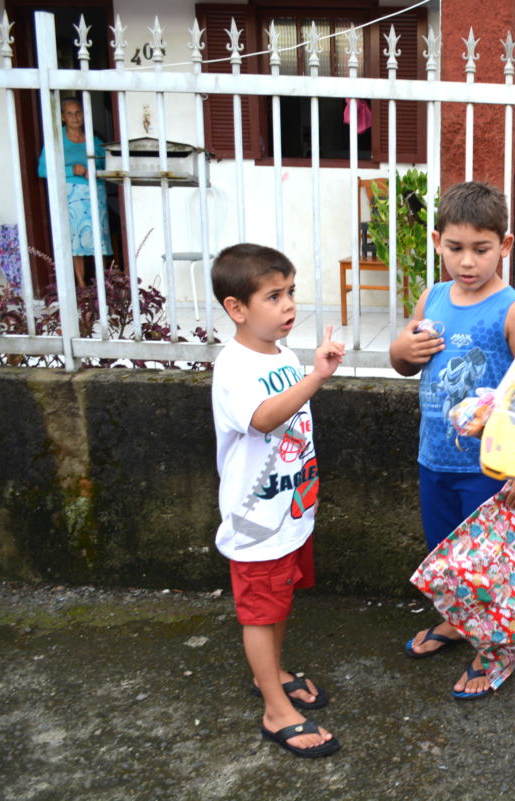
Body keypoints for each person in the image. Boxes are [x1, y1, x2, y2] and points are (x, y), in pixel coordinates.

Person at [389, 181, 515, 699]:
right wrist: (401, 348)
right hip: (434, 459)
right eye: (455, 248)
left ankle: (494, 647)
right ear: (437, 242)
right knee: (446, 557)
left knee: (488, 563)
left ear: (505, 245)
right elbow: (404, 365)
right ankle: (458, 623)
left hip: (490, 469)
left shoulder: (513, 311)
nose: (467, 262)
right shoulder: (431, 296)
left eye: (481, 249)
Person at [210, 243, 346, 758]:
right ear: (237, 309)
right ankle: (274, 707)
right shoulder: (234, 367)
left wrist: (309, 369)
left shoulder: (283, 355)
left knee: (279, 604)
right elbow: (264, 417)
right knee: (260, 615)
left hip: (291, 513)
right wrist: (316, 377)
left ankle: (273, 674)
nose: (289, 305)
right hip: (257, 525)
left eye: (290, 292)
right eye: (274, 296)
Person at [37, 98, 112, 287]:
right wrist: (72, 170)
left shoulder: (94, 141)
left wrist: (96, 170)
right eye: (69, 113)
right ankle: (81, 284)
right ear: (63, 117)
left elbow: (106, 165)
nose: (74, 117)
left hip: (95, 196)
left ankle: (102, 284)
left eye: (78, 112)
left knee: (98, 238)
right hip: (72, 198)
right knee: (75, 241)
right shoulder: (56, 141)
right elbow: (43, 170)